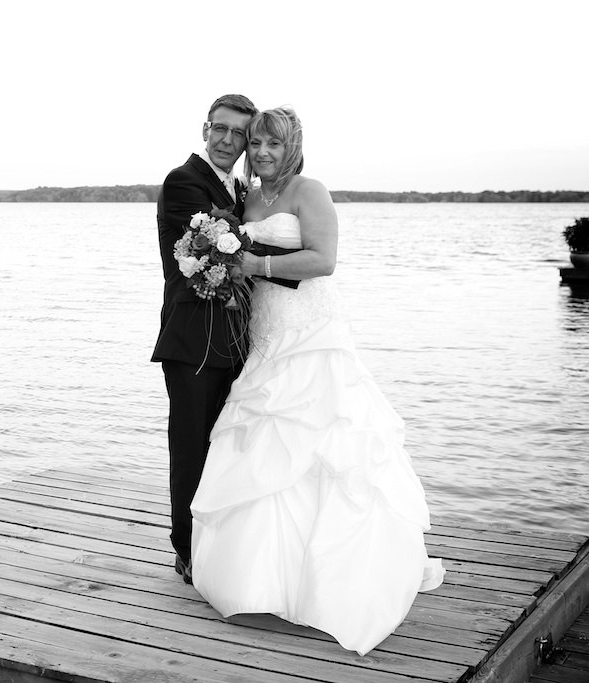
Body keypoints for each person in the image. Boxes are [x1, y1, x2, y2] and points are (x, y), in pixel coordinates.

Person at [189, 107, 445, 655]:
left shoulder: (311, 192)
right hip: (264, 336)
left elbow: (324, 260)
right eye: (255, 143)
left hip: (310, 335)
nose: (260, 152)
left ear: (293, 147)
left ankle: (328, 585)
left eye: (272, 145)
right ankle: (259, 581)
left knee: (322, 444)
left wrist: (251, 267)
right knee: (263, 447)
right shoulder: (247, 200)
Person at [152, 94, 257, 584]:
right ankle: (187, 550)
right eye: (221, 128)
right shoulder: (183, 182)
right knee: (192, 448)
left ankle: (221, 544)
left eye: (239, 134)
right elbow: (219, 246)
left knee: (227, 449)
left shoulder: (238, 189)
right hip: (193, 340)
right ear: (205, 128)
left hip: (235, 342)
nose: (227, 140)